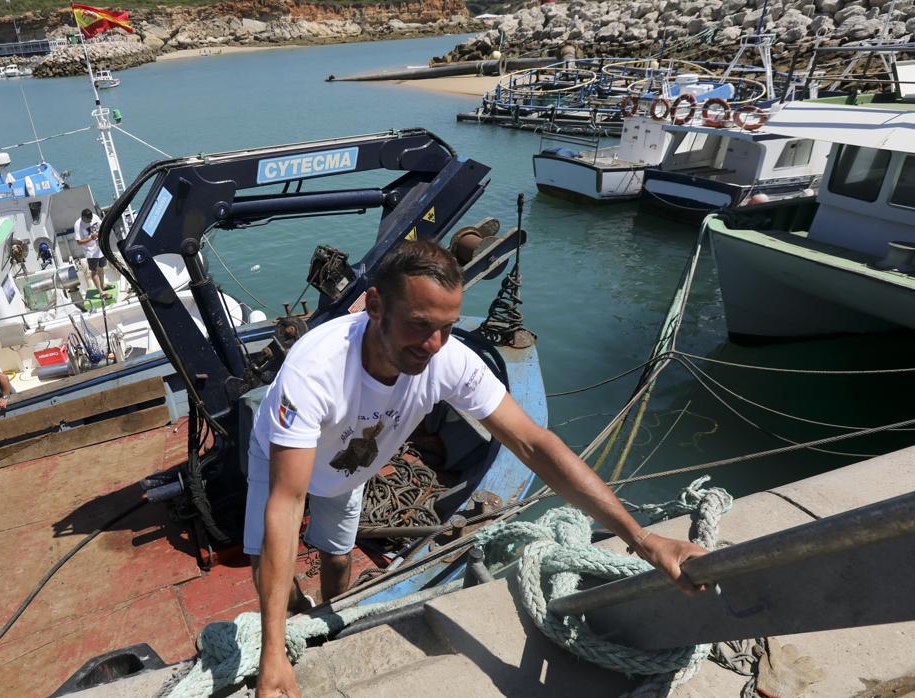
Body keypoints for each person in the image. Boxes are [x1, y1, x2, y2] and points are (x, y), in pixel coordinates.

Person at [246, 240, 709, 698]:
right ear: (375, 305)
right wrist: (272, 653)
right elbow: (286, 504)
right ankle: (288, 620)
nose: (433, 345)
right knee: (269, 561)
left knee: (339, 556)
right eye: (420, 324)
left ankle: (329, 619)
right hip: (285, 457)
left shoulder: (446, 358)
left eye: (447, 327)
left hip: (351, 468)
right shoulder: (314, 372)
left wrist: (644, 540)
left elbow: (533, 444)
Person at [73, 208, 108, 302]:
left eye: (91, 219)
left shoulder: (94, 217)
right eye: (88, 219)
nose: (90, 221)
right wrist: (91, 238)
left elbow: (102, 226)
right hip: (90, 252)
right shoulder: (78, 225)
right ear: (83, 217)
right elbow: (79, 242)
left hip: (99, 248)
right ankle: (101, 293)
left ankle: (103, 285)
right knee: (94, 271)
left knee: (101, 268)